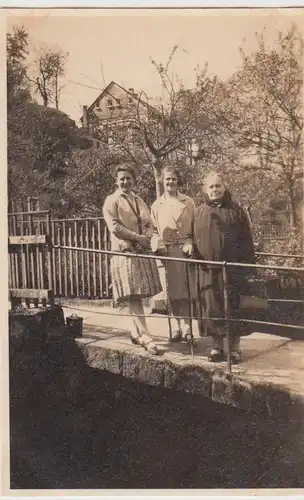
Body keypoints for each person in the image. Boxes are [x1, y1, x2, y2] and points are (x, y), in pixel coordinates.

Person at [193, 171, 255, 363]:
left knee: (234, 307)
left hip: (233, 270)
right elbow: (191, 236)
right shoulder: (199, 211)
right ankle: (217, 347)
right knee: (213, 307)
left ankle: (235, 349)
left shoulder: (236, 210)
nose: (214, 190)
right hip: (208, 270)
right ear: (205, 189)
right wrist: (190, 247)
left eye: (217, 186)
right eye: (210, 186)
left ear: (224, 187)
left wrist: (248, 268)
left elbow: (247, 240)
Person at [102, 162, 162, 355]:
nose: (125, 182)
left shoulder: (139, 200)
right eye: (122, 179)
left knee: (137, 293)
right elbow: (115, 227)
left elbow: (149, 223)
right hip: (125, 252)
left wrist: (147, 235)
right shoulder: (111, 200)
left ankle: (135, 332)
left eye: (129, 178)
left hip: (140, 252)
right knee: (133, 294)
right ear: (116, 181)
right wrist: (137, 238)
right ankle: (146, 336)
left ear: (134, 180)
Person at [150, 166, 196, 342]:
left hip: (184, 252)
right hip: (166, 253)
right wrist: (158, 243)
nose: (170, 182)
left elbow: (195, 227)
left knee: (186, 292)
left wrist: (190, 241)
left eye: (174, 179)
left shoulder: (188, 202)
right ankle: (176, 327)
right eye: (167, 179)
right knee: (171, 292)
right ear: (162, 180)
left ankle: (187, 327)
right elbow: (153, 231)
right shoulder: (156, 205)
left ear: (178, 181)